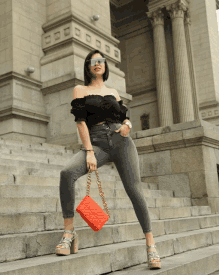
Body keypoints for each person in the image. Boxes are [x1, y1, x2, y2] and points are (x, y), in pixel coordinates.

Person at [55, 49, 161, 270]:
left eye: (101, 61)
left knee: (135, 191)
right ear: (88, 66)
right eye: (93, 61)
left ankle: (151, 245)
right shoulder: (80, 90)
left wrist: (127, 125)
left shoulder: (113, 91)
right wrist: (89, 151)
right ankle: (69, 233)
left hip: (122, 142)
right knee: (67, 172)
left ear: (105, 66)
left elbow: (125, 117)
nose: (97, 64)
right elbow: (80, 122)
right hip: (96, 143)